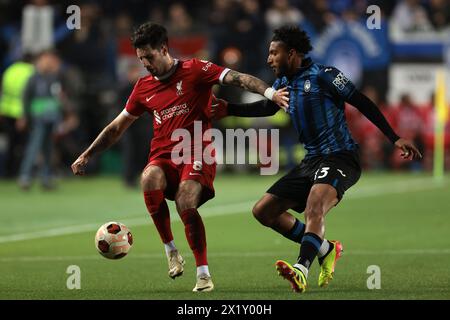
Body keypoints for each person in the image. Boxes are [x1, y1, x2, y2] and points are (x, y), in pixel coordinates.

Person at [71, 22, 287, 292]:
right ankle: (171, 250)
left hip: (197, 152)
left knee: (185, 199)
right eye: (140, 59)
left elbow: (239, 78)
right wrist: (87, 154)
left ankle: (203, 273)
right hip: (163, 156)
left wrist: (270, 93)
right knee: (148, 177)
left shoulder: (195, 70)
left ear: (163, 49)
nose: (145, 63)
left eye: (149, 57)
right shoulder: (143, 88)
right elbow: (116, 127)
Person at [212, 25, 421, 293]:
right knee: (263, 211)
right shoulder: (283, 84)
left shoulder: (325, 75)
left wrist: (394, 138)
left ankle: (301, 269)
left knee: (314, 205)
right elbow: (266, 106)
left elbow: (361, 101)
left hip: (340, 157)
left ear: (292, 53)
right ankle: (326, 248)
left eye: (274, 53)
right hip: (311, 162)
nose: (269, 59)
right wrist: (228, 109)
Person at [18, 50, 64, 190]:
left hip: (51, 117)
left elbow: (57, 97)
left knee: (48, 149)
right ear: (39, 61)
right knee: (34, 146)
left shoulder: (52, 77)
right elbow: (26, 98)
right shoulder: (33, 78)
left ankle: (46, 178)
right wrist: (24, 116)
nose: (48, 62)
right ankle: (25, 176)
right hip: (38, 117)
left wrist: (59, 116)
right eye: (45, 60)